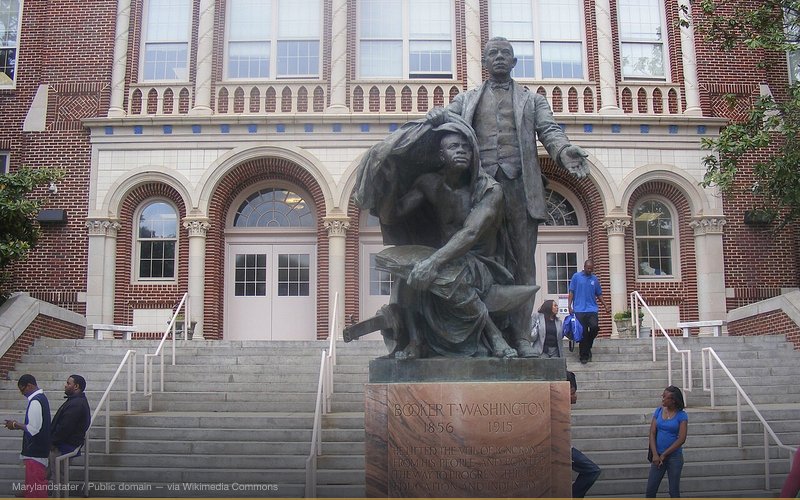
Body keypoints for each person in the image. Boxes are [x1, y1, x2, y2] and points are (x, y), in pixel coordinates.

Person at [430, 36, 589, 357]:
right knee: (479, 261)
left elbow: (550, 130)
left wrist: (563, 149)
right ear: (485, 62)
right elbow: (445, 121)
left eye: (506, 53)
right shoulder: (468, 99)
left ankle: (519, 336)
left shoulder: (532, 100)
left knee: (523, 265)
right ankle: (483, 336)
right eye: (493, 54)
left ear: (515, 62)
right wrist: (436, 116)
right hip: (482, 188)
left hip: (520, 189)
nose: (499, 58)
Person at [353, 114, 537, 359]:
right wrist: (391, 182)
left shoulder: (489, 190)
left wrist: (432, 263)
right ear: (441, 156)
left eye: (465, 148)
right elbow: (391, 216)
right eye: (453, 147)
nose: (461, 152)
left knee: (447, 273)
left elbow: (470, 233)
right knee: (406, 276)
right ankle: (416, 342)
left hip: (481, 263)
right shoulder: (429, 183)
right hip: (444, 257)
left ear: (474, 155)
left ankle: (494, 335)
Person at [4, 374, 51, 498]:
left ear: (29, 386)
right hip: (38, 452)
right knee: (35, 489)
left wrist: (15, 424)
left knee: (36, 492)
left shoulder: (36, 400)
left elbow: (33, 429)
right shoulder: (41, 398)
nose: (21, 393)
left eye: (22, 389)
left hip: (35, 453)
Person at [646, 385, 688, 498]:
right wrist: (655, 454)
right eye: (662, 396)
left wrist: (665, 454)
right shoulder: (659, 411)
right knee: (650, 490)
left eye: (665, 397)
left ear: (673, 401)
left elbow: (682, 439)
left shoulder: (682, 415)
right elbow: (652, 432)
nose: (662, 398)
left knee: (674, 491)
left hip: (674, 457)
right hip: (657, 455)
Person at [49, 375, 91, 480]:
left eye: (68, 383)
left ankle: (60, 496)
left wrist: (53, 442)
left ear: (76, 386)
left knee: (59, 477)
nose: (65, 385)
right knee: (53, 474)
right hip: (63, 445)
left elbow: (65, 427)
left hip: (63, 447)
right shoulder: (75, 401)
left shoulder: (76, 404)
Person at [567, 371, 601, 497]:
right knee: (592, 470)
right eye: (572, 393)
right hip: (563, 449)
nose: (575, 397)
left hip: (566, 447)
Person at [568, 259, 607, 364]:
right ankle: (584, 356)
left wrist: (605, 305)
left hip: (592, 309)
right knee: (583, 333)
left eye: (591, 269)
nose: (590, 270)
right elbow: (571, 292)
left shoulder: (594, 279)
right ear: (584, 267)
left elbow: (598, 293)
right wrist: (569, 306)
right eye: (588, 268)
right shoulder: (576, 277)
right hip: (579, 309)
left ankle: (588, 346)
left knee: (594, 328)